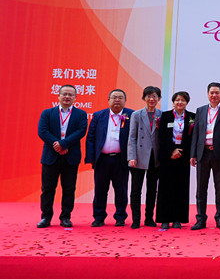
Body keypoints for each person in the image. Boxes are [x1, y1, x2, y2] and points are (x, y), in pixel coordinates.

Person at [37, 84, 88, 228]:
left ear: (75, 97)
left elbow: (81, 131)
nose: (67, 97)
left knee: (69, 188)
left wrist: (64, 144)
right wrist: (57, 145)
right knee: (47, 188)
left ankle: (65, 217)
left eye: (70, 94)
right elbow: (42, 131)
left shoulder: (81, 114)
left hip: (70, 156)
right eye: (64, 94)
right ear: (58, 96)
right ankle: (46, 217)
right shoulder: (47, 113)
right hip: (50, 156)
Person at [189, 82, 220, 230]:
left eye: (217, 93)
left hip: (219, 154)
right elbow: (196, 133)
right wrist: (193, 154)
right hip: (203, 153)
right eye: (211, 93)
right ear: (208, 94)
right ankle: (200, 218)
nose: (214, 95)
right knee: (201, 188)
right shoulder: (201, 110)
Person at [85, 89, 134, 227]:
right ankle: (99, 217)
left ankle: (120, 217)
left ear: (125, 100)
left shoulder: (131, 115)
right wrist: (92, 159)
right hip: (102, 160)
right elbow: (91, 137)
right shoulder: (99, 115)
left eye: (120, 97)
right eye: (114, 97)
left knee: (121, 190)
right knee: (100, 190)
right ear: (108, 100)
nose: (117, 100)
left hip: (121, 159)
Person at [156, 91, 194, 229]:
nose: (180, 102)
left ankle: (178, 218)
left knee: (181, 188)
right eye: (177, 100)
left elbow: (192, 138)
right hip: (168, 156)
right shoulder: (165, 116)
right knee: (165, 188)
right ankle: (164, 219)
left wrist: (181, 151)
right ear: (173, 102)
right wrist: (172, 150)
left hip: (183, 156)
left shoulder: (192, 117)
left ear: (187, 102)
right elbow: (162, 137)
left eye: (183, 100)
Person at [127, 86, 162, 229]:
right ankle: (136, 219)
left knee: (152, 189)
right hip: (139, 156)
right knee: (136, 189)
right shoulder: (136, 115)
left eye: (154, 96)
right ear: (144, 98)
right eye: (148, 96)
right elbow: (132, 137)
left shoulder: (162, 115)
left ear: (158, 98)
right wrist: (131, 156)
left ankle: (149, 218)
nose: (151, 99)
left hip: (155, 157)